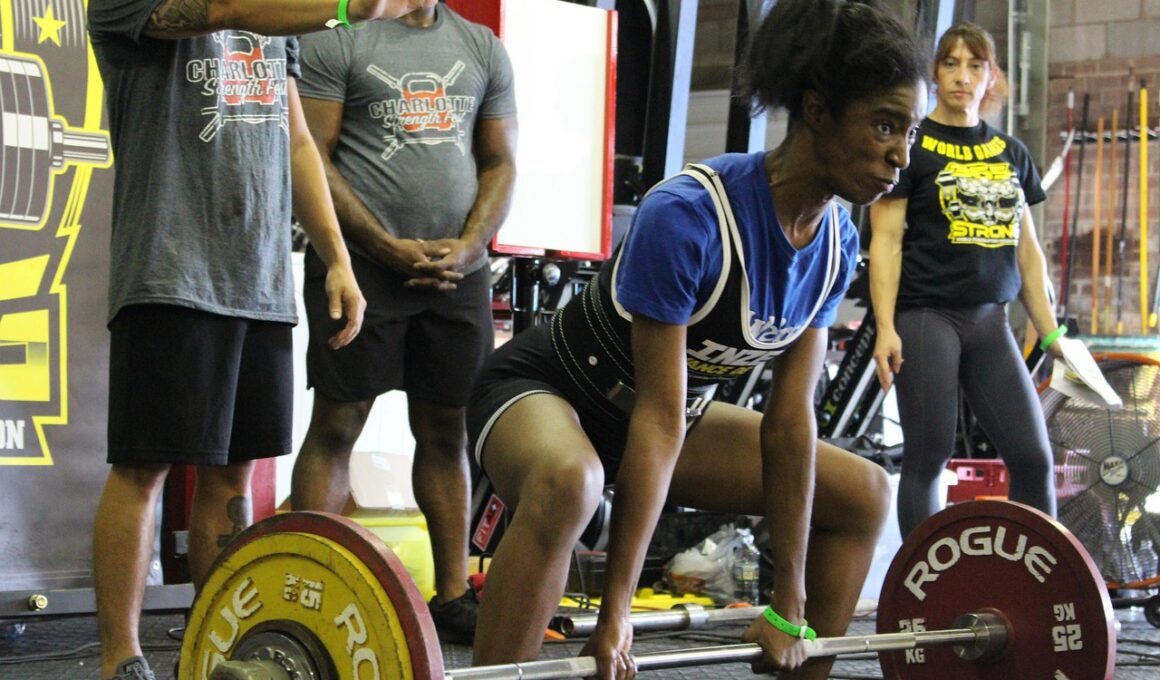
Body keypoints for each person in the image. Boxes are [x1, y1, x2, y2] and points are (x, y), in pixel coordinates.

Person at [464, 1, 927, 677]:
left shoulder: (834, 244)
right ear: (818, 111)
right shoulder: (689, 215)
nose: (901, 155)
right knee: (572, 481)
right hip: (546, 395)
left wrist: (788, 606)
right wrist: (616, 611)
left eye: (910, 132)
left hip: (670, 420)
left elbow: (790, 425)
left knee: (864, 494)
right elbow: (657, 417)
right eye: (885, 125)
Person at [85, 1, 435, 678]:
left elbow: (297, 139)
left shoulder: (278, 29)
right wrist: (347, 8)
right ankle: (119, 659)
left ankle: (215, 644)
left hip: (260, 276)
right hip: (170, 270)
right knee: (143, 466)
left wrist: (338, 257)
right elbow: (222, 8)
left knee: (233, 473)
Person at [289, 2, 517, 645]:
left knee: (448, 429)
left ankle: (453, 596)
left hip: (457, 273)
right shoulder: (338, 40)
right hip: (358, 266)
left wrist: (470, 247)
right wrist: (381, 245)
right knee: (338, 422)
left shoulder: (482, 47)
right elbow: (313, 156)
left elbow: (500, 162)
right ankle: (303, 588)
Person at [869, 21, 1059, 540]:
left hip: (989, 321)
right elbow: (885, 241)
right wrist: (885, 328)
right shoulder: (912, 146)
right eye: (950, 64)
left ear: (991, 75)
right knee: (929, 456)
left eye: (975, 65)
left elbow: (1028, 253)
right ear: (935, 73)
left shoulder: (1011, 153)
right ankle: (925, 580)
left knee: (1033, 457)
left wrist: (1052, 334)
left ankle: (1039, 576)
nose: (962, 76)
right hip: (926, 315)